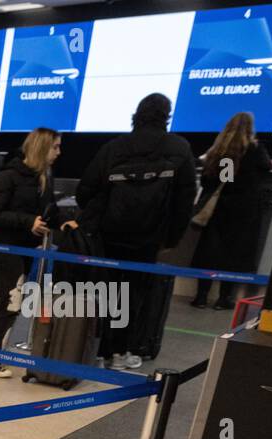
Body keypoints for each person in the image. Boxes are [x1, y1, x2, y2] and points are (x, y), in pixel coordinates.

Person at [77, 92, 196, 369]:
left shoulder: (116, 147)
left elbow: (86, 189)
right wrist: (171, 237)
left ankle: (99, 349)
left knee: (103, 291)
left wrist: (99, 216)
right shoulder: (179, 148)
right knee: (133, 296)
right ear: (166, 115)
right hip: (148, 239)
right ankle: (121, 351)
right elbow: (184, 200)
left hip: (109, 235)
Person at [0, 128, 63, 378]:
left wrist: (63, 220)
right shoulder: (8, 175)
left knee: (15, 300)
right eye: (55, 146)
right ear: (42, 147)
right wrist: (28, 221)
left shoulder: (44, 176)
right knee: (10, 300)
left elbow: (48, 209)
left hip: (27, 247)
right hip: (8, 246)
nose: (58, 152)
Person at [190, 111, 272, 311]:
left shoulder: (219, 151)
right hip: (242, 211)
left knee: (210, 254)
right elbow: (232, 179)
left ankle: (201, 296)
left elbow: (219, 180)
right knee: (234, 258)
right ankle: (224, 298)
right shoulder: (253, 150)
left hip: (219, 210)